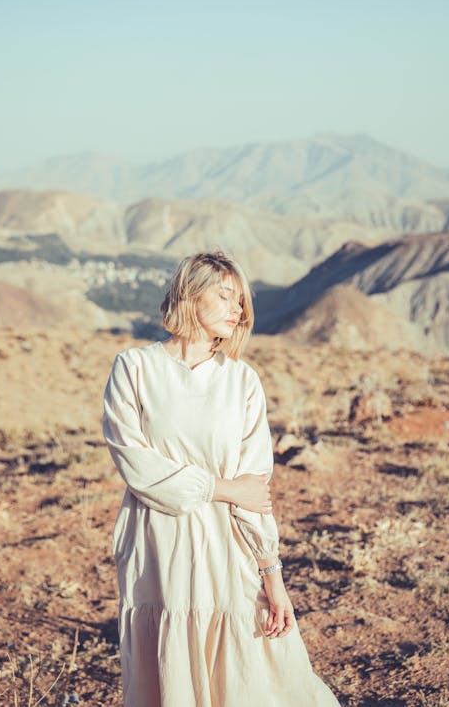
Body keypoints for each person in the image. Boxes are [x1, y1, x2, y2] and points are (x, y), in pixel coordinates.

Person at [102, 250, 340, 707]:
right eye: (226, 295)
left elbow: (256, 491)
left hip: (228, 551)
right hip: (158, 551)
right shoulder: (133, 369)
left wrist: (274, 579)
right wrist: (218, 487)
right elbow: (137, 467)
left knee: (254, 679)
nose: (240, 309)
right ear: (190, 295)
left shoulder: (242, 383)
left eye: (242, 300)